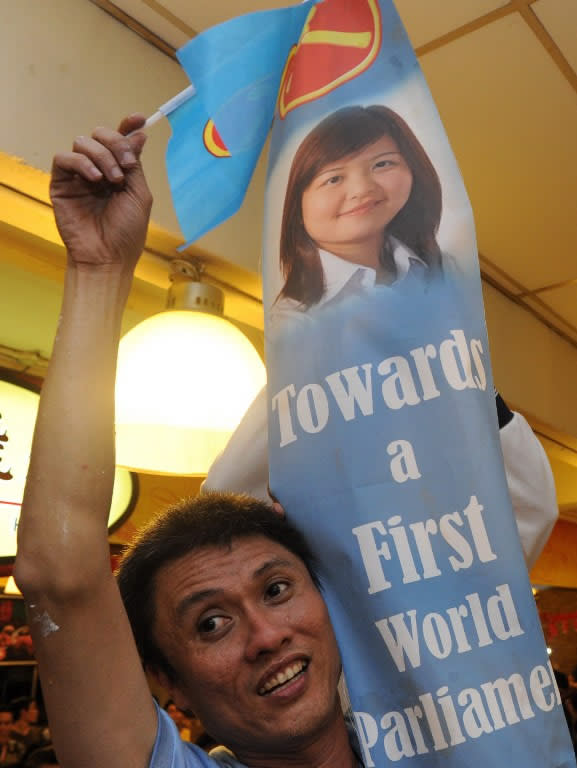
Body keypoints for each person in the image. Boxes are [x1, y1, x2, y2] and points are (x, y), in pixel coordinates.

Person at [14, 117, 357, 768]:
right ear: (167, 682)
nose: (265, 636)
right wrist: (98, 267)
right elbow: (59, 580)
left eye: (278, 589)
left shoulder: (448, 740)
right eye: (210, 624)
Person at [272, 105, 443, 325]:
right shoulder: (291, 322)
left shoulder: (444, 270)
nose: (362, 189)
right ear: (297, 209)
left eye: (381, 164)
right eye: (333, 179)